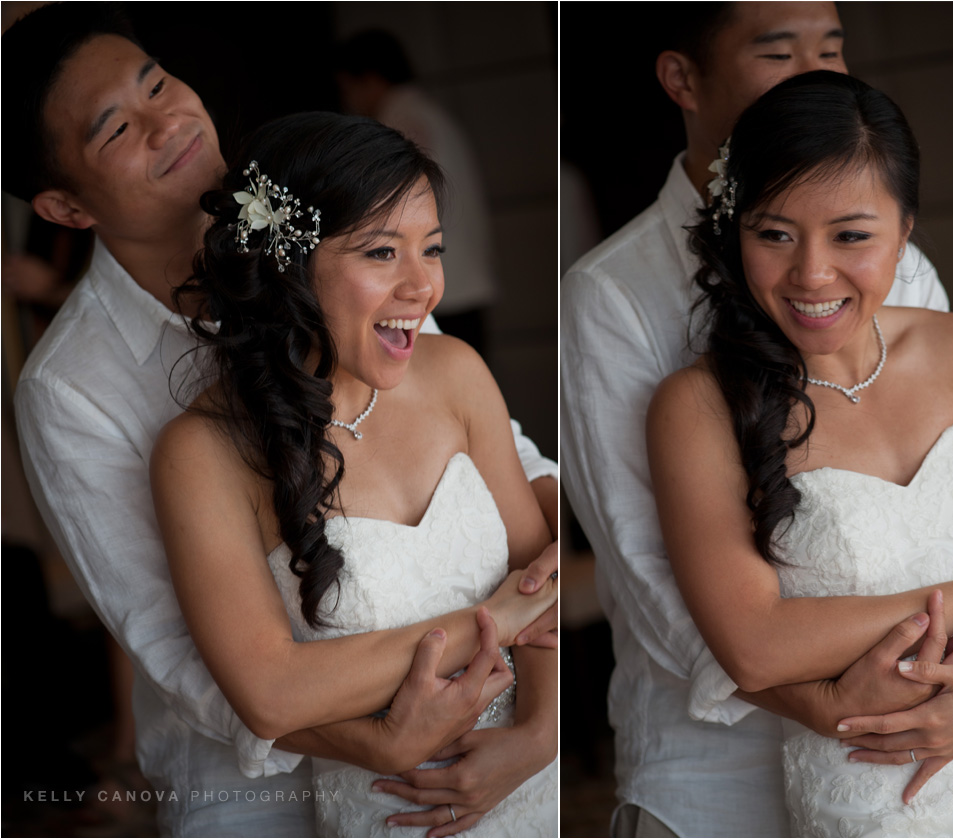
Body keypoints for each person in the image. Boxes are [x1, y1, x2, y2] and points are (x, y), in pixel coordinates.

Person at [560, 3, 953, 836]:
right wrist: (833, 706)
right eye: (779, 50)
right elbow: (657, 586)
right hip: (737, 751)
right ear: (681, 79)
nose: (814, 271)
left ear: (899, 233)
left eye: (831, 46)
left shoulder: (947, 329)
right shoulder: (620, 308)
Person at [5, 4, 559, 834]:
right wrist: (380, 743)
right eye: (119, 127)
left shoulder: (339, 235)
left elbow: (496, 462)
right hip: (254, 787)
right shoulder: (72, 389)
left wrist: (538, 728)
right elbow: (181, 651)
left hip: (493, 743)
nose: (169, 121)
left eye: (157, 82)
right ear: (64, 207)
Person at [150, 111, 557, 837]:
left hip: (532, 786)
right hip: (390, 812)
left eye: (431, 249)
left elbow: (540, 579)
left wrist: (536, 737)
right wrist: (499, 620)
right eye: (380, 252)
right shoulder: (204, 452)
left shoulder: (457, 372)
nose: (422, 286)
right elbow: (271, 695)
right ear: (286, 262)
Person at [336, 29, 498, 356]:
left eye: (348, 89)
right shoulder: (435, 115)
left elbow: (389, 213)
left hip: (441, 292)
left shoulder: (399, 123)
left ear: (368, 79)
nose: (349, 102)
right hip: (462, 281)